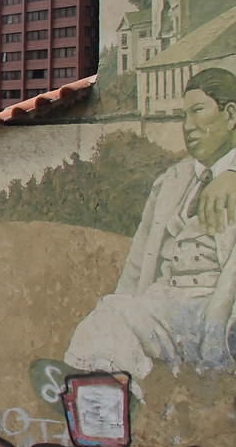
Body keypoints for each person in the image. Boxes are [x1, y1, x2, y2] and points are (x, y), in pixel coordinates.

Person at [66, 68, 236, 381]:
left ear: (230, 114)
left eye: (198, 111)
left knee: (115, 321)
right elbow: (138, 262)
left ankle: (99, 395)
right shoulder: (172, 182)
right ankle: (99, 395)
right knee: (109, 317)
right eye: (184, 115)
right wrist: (124, 303)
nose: (188, 126)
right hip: (164, 305)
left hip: (215, 312)